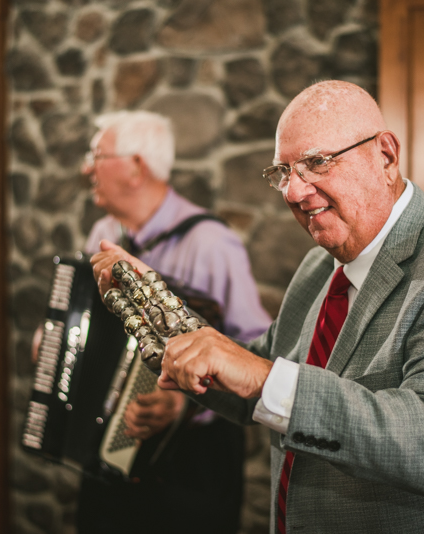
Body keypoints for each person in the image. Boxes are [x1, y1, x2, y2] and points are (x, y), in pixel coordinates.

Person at [92, 82, 424, 533]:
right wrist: (146, 294)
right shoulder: (319, 267)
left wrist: (261, 375)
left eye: (317, 163)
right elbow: (245, 372)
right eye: (284, 173)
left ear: (385, 156)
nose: (294, 193)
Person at [78, 110, 272, 534]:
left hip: (192, 471)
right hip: (110, 453)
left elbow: (257, 350)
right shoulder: (103, 233)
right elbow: (87, 320)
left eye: (97, 155)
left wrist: (186, 404)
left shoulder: (211, 243)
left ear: (135, 167)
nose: (85, 167)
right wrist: (60, 345)